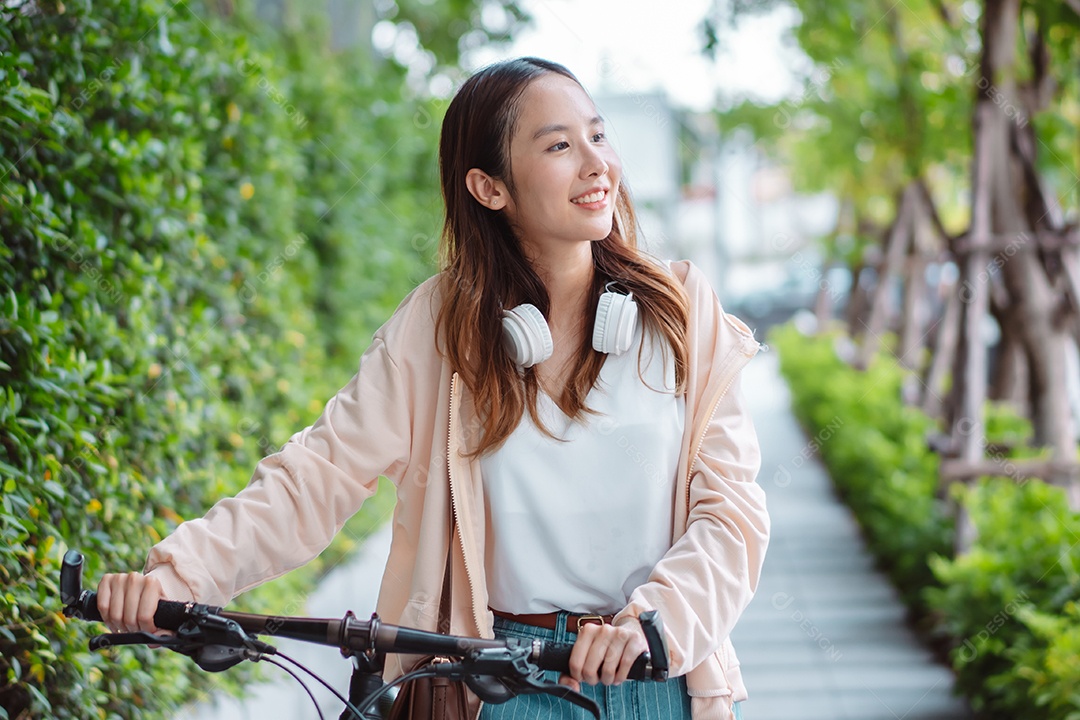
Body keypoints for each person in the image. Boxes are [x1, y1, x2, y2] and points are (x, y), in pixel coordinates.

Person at [97, 57, 768, 720]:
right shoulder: (439, 329)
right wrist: (175, 580)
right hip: (502, 684)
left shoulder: (681, 313)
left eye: (597, 134)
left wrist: (651, 625)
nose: (598, 164)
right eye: (560, 145)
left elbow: (732, 515)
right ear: (488, 187)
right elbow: (318, 474)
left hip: (660, 674)